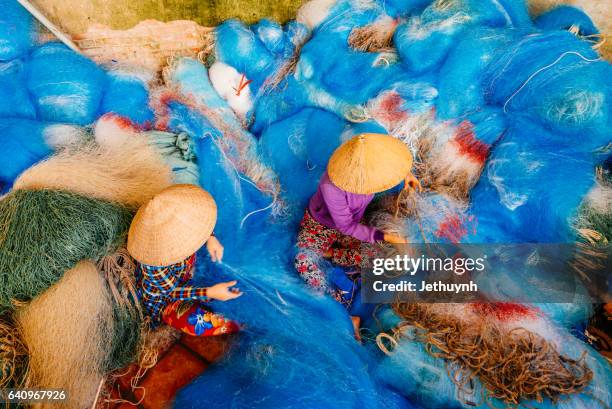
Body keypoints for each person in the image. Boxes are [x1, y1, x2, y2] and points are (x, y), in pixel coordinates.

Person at [294, 133, 420, 340]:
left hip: (352, 224)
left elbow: (388, 163)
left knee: (378, 256)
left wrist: (406, 175)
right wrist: (388, 237)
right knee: (303, 262)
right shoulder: (331, 187)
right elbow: (346, 227)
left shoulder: (369, 154)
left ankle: (332, 253)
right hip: (322, 225)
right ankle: (343, 314)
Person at [127, 184, 242, 336]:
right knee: (200, 323)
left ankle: (221, 301)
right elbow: (171, 292)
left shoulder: (181, 215)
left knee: (224, 287)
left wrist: (211, 237)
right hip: (166, 299)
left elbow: (197, 222)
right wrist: (209, 292)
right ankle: (240, 325)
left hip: (187, 276)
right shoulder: (153, 266)